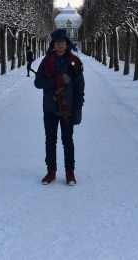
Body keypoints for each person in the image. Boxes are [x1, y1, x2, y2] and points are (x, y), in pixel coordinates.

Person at [34, 29, 85, 186]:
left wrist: (78, 109)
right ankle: (51, 172)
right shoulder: (47, 60)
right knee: (50, 141)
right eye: (57, 42)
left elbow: (80, 86)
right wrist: (57, 80)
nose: (60, 44)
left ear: (67, 43)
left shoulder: (75, 61)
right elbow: (38, 82)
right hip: (50, 107)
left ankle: (70, 173)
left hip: (67, 108)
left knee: (67, 141)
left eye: (63, 41)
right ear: (53, 44)